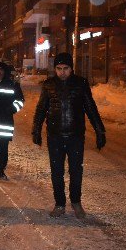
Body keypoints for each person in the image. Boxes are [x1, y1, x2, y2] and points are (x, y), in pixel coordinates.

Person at [32, 52, 106, 219]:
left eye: (66, 68)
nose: (62, 72)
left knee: (76, 171)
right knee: (56, 172)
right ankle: (59, 204)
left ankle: (76, 202)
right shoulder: (48, 85)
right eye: (59, 69)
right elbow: (41, 109)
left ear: (71, 69)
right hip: (55, 136)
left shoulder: (81, 84)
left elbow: (90, 108)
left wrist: (100, 130)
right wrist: (36, 129)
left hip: (75, 137)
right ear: (55, 69)